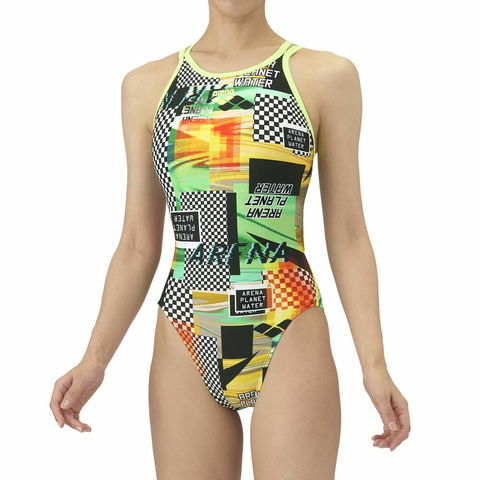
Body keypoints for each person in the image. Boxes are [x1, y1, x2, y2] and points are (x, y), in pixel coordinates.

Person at [49, 1, 411, 478]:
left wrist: (374, 364)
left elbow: (347, 234)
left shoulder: (324, 76)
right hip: (188, 322)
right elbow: (137, 242)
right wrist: (94, 358)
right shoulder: (147, 85)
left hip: (286, 319)